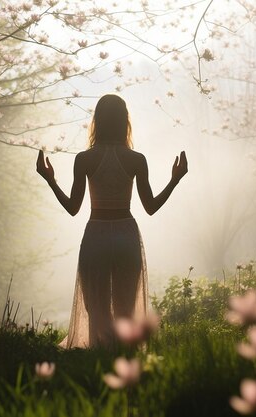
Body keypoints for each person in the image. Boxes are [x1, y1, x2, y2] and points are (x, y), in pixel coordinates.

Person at [36, 94, 188, 349]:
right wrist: (175, 179)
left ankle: (100, 356)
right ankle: (124, 355)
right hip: (126, 235)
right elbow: (150, 207)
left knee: (96, 306)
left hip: (96, 235)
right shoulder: (136, 159)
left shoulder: (84, 159)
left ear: (96, 122)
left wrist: (50, 179)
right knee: (126, 306)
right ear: (124, 122)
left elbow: (73, 208)